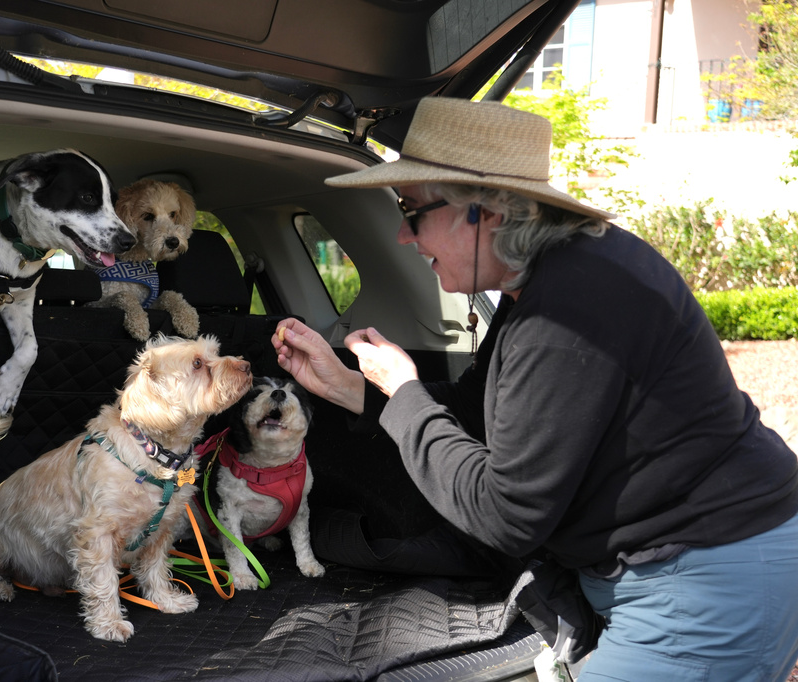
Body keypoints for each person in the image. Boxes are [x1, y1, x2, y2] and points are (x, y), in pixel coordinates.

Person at [270, 97, 798, 681]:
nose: (402, 234)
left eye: (412, 209)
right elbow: (476, 411)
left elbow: (507, 517)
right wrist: (350, 385)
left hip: (704, 577)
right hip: (656, 567)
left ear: (486, 212)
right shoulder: (545, 282)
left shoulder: (571, 307)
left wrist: (409, 393)